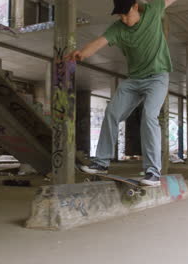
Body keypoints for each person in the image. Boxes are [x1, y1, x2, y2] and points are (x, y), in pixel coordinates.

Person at [67, 0, 177, 186]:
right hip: (133, 80)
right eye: (120, 15)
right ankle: (101, 163)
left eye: (127, 14)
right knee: (111, 113)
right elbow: (100, 42)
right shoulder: (118, 28)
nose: (124, 19)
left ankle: (153, 173)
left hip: (157, 78)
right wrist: (82, 53)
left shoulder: (152, 10)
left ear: (135, 6)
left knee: (149, 116)